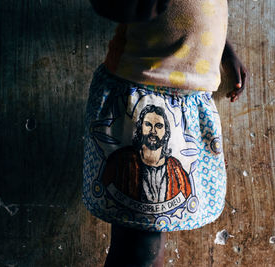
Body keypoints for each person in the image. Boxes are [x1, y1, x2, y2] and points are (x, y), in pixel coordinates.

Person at [82, 0, 248, 266]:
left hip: (187, 102)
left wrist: (224, 50)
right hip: (140, 99)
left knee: (149, 238)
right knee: (141, 245)